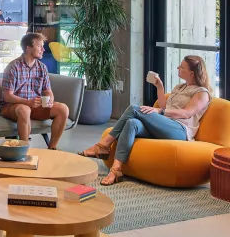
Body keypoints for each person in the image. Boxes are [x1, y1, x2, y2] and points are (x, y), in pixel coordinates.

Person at [82, 56, 212, 187]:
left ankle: (103, 145)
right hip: (164, 126)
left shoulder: (202, 93)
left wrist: (159, 112)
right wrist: (160, 88)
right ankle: (116, 170)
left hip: (180, 130)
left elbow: (187, 113)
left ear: (191, 73)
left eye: (182, 67)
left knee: (134, 109)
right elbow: (165, 107)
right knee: (131, 123)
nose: (178, 68)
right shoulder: (179, 87)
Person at [0, 32, 69, 149]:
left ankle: (52, 148)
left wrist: (50, 99)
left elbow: (47, 90)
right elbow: (7, 96)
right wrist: (28, 102)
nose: (43, 49)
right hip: (12, 106)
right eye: (39, 46)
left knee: (63, 108)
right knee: (24, 109)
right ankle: (23, 150)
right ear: (28, 47)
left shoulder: (42, 67)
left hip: (35, 106)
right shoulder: (13, 67)